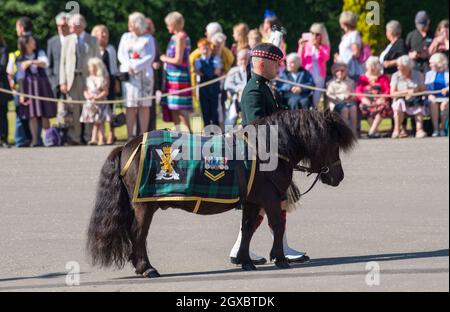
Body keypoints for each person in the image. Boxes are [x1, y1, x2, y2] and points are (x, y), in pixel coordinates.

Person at [230, 43, 309, 265]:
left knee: (272, 204)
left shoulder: (262, 86)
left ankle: (254, 247)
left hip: (267, 154)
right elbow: (256, 126)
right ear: (263, 64)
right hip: (260, 156)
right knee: (269, 202)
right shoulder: (254, 90)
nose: (279, 67)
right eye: (276, 63)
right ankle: (272, 247)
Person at [60, 14, 100, 145]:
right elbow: (63, 62)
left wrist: (96, 80)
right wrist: (63, 81)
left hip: (88, 79)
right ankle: (75, 137)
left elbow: (97, 62)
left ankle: (89, 137)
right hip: (72, 79)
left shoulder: (92, 40)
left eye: (73, 25)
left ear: (81, 26)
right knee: (74, 108)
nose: (71, 28)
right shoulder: (67, 40)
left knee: (88, 107)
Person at [118, 12, 155, 141]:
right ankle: (130, 135)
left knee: (144, 105)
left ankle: (142, 135)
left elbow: (150, 56)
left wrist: (136, 66)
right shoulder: (125, 37)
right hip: (129, 77)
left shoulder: (148, 38)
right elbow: (121, 54)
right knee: (130, 105)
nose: (129, 25)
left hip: (144, 76)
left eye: (131, 22)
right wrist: (128, 65)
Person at [16, 35, 56, 147]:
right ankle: (35, 139)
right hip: (29, 88)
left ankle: (48, 138)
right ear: (26, 44)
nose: (34, 42)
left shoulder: (40, 53)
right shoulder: (20, 58)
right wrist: (22, 94)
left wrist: (30, 62)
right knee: (32, 114)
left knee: (44, 113)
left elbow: (45, 63)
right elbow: (20, 77)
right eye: (32, 41)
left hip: (41, 86)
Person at [160, 11, 193, 132]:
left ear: (175, 24)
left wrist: (164, 59)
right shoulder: (174, 37)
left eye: (169, 24)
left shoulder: (181, 37)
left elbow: (178, 60)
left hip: (179, 77)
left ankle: (189, 134)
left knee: (180, 108)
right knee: (172, 107)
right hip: (171, 77)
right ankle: (178, 134)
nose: (167, 27)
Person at [7, 16, 34, 147]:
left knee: (27, 114)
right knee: (20, 114)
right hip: (20, 87)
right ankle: (21, 139)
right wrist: (11, 81)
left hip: (26, 87)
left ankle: (25, 139)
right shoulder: (15, 55)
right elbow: (12, 73)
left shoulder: (25, 51)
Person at [91, 24, 119, 145]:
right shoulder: (93, 49)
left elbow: (114, 66)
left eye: (105, 32)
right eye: (101, 32)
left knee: (110, 109)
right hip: (97, 83)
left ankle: (112, 133)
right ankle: (98, 135)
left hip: (110, 81)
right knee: (97, 108)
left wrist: (116, 81)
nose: (104, 35)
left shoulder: (111, 49)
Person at [390, 55, 426, 138]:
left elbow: (423, 90)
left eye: (401, 66)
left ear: (408, 67)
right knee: (399, 104)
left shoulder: (418, 75)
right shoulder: (395, 76)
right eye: (398, 66)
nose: (398, 68)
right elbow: (392, 93)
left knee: (418, 104)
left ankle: (419, 129)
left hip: (415, 98)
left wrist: (415, 90)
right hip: (401, 99)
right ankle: (397, 130)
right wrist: (406, 92)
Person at [355, 56, 392, 138]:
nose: (371, 68)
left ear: (378, 67)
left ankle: (371, 131)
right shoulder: (363, 78)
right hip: (367, 101)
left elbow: (388, 90)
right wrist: (363, 99)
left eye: (374, 66)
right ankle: (375, 131)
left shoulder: (383, 77)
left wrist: (383, 98)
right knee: (363, 107)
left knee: (384, 107)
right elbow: (358, 91)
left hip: (380, 101)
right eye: (370, 66)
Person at [298, 23, 331, 107]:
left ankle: (313, 115)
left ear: (322, 35)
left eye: (317, 34)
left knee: (316, 100)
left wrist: (318, 48)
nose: (314, 36)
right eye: (312, 33)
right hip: (307, 74)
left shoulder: (325, 47)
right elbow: (300, 60)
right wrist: (301, 48)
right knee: (305, 98)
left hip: (319, 76)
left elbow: (325, 58)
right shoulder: (306, 45)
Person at [80, 57, 111, 145]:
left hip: (100, 103)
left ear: (96, 68)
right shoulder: (88, 79)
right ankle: (94, 138)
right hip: (91, 104)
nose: (89, 69)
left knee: (100, 122)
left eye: (91, 67)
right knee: (95, 122)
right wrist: (88, 96)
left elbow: (105, 91)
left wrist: (98, 97)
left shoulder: (101, 79)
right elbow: (85, 90)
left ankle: (101, 138)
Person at [194, 38, 221, 127]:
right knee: (205, 111)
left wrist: (205, 72)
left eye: (207, 48)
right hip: (203, 88)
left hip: (214, 88)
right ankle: (207, 132)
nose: (205, 51)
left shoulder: (215, 59)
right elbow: (198, 72)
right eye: (203, 49)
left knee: (214, 111)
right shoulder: (197, 61)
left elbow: (217, 71)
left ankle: (217, 132)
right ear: (199, 50)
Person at [326, 62, 357, 136]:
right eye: (337, 71)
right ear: (334, 72)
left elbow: (354, 93)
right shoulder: (331, 83)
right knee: (345, 109)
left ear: (346, 71)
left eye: (342, 71)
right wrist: (342, 97)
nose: (340, 72)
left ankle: (353, 131)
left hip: (349, 102)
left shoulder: (350, 82)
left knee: (353, 108)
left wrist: (350, 96)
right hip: (336, 103)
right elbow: (329, 95)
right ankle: (345, 133)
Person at [47, 12, 70, 103]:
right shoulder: (52, 42)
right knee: (59, 113)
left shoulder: (75, 40)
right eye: (58, 25)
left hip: (73, 82)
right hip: (56, 83)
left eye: (63, 25)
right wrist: (53, 82)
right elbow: (50, 64)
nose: (60, 28)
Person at [425, 53, 449, 137]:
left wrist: (447, 89)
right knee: (433, 103)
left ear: (438, 63)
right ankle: (436, 129)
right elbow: (426, 88)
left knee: (444, 105)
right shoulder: (429, 74)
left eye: (431, 63)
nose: (430, 65)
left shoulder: (448, 73)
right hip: (434, 97)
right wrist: (430, 94)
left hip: (446, 97)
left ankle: (442, 128)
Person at [335, 11, 363, 81]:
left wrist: (342, 59)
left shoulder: (354, 34)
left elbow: (356, 53)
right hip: (343, 69)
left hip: (351, 71)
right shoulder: (345, 36)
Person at [224, 49, 249, 126]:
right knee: (230, 119)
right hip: (236, 98)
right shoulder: (233, 71)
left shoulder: (253, 71)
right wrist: (239, 88)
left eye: (246, 59)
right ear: (238, 60)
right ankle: (228, 135)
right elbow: (227, 85)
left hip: (250, 99)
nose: (244, 62)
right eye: (242, 59)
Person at [0, 32, 12, 148]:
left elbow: (2, 66)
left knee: (2, 114)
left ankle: (3, 138)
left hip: (1, 87)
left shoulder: (3, 49)